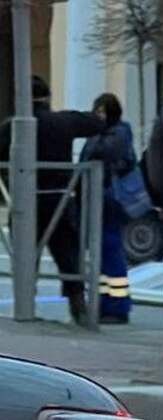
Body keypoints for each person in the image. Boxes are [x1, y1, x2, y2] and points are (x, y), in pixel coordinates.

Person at [0, 76, 106, 324]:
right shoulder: (63, 122)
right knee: (68, 256)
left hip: (26, 203)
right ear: (47, 97)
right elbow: (96, 123)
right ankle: (78, 307)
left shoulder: (12, 126)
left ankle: (24, 305)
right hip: (59, 199)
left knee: (25, 258)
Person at [80, 93, 134, 324]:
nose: (99, 116)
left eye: (103, 111)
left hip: (110, 199)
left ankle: (118, 307)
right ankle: (103, 302)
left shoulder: (119, 132)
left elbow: (104, 154)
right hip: (97, 198)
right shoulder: (100, 133)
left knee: (111, 251)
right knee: (101, 252)